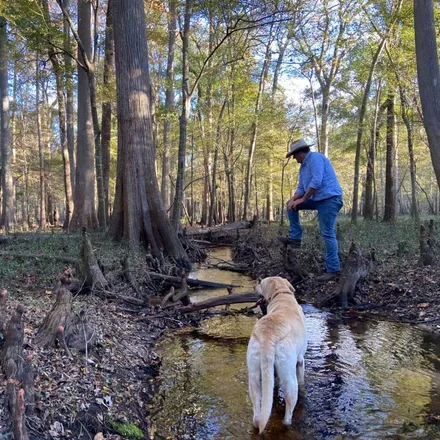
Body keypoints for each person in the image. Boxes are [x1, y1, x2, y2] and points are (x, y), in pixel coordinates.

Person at [278, 138, 343, 281]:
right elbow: (301, 188)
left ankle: (333, 269)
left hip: (330, 198)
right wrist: (294, 200)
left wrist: (303, 199)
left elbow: (316, 181)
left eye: (295, 155)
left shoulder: (316, 158)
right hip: (318, 199)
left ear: (301, 152)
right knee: (291, 206)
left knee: (327, 233)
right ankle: (296, 238)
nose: (294, 159)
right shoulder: (302, 168)